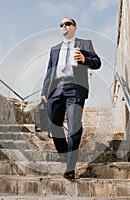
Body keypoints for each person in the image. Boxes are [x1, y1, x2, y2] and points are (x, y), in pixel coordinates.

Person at [40, 17, 101, 180]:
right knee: (54, 125)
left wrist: (84, 59)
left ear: (74, 27)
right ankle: (66, 153)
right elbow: (49, 72)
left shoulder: (85, 43)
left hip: (75, 87)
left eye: (67, 24)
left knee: (74, 125)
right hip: (55, 89)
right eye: (61, 25)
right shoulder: (54, 49)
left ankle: (70, 166)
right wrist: (44, 91)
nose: (64, 26)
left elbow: (97, 63)